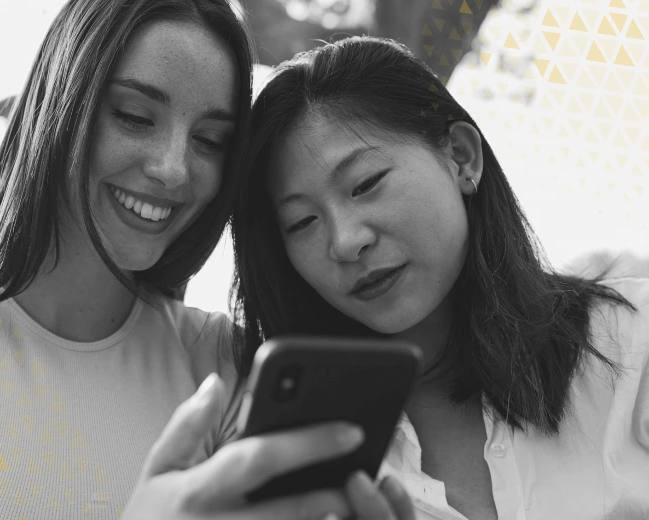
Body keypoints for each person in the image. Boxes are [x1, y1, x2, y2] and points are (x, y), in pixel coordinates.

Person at [0, 3, 413, 519]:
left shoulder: (232, 367)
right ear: (60, 101)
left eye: (210, 141)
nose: (173, 169)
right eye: (135, 116)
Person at [231, 36, 649, 520]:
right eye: (302, 222)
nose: (345, 243)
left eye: (365, 184)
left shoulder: (626, 340)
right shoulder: (295, 455)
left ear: (461, 156)